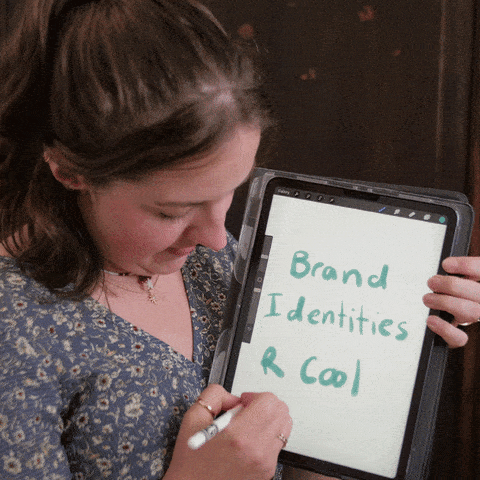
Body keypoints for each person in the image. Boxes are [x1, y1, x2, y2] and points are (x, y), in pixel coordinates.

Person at [0, 1, 478, 479]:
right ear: (70, 170)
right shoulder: (15, 331)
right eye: (173, 211)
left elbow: (293, 455)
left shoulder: (209, 259)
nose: (216, 240)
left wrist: (391, 339)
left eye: (230, 192)